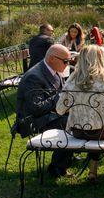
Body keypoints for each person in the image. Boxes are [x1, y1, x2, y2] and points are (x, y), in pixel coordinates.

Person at [56, 45, 104, 184]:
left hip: (78, 131)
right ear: (99, 58)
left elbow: (60, 109)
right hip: (103, 132)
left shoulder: (72, 79)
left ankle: (93, 172)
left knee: (96, 132)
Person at [16, 44, 74, 178]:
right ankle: (57, 167)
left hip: (48, 115)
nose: (67, 64)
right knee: (70, 123)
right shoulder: (34, 77)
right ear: (53, 59)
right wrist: (61, 95)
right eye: (65, 61)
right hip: (31, 121)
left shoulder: (53, 70)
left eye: (69, 61)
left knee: (78, 116)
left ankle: (68, 155)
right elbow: (36, 108)